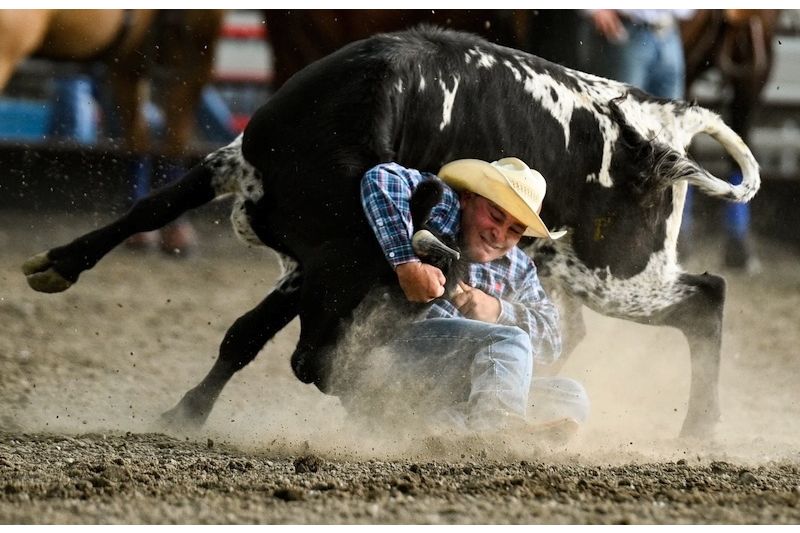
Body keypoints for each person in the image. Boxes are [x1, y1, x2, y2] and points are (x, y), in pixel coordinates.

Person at [348, 157, 589, 437]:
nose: (498, 233)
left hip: (454, 387)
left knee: (571, 395)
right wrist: (407, 264)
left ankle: (445, 430)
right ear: (467, 198)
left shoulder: (520, 268)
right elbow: (381, 179)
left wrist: (497, 310)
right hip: (392, 359)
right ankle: (495, 433)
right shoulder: (445, 208)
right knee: (507, 340)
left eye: (514, 229)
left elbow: (551, 342)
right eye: (496, 216)